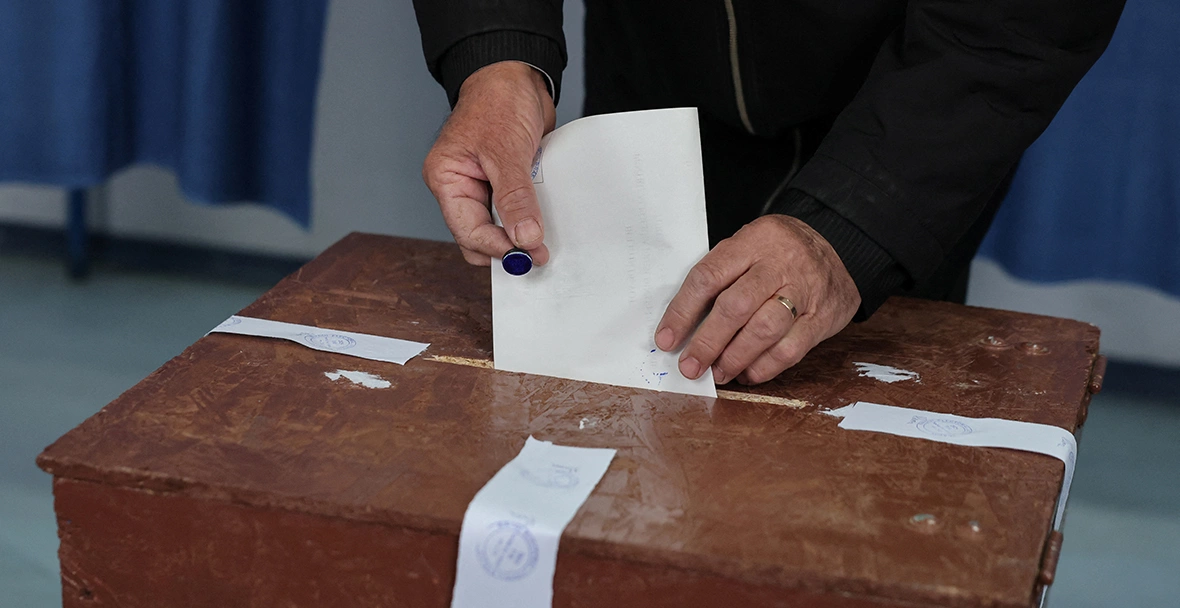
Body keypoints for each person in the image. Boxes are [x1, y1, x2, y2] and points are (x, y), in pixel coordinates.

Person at [412, 1, 1124, 386]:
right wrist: (497, 54)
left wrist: (851, 229)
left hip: (904, 119)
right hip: (655, 71)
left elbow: (1022, 23)